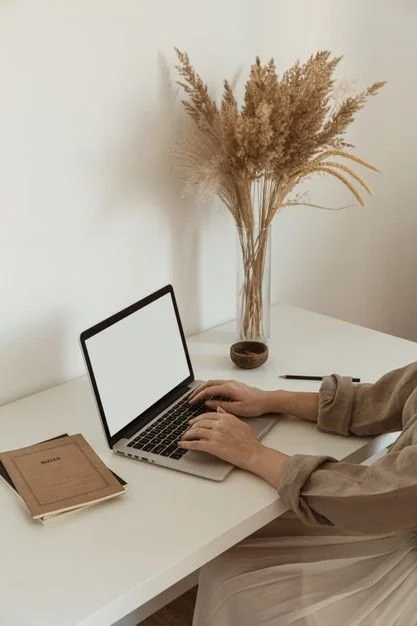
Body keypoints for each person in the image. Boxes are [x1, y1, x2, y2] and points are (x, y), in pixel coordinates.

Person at [178, 363, 417, 625]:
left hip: (393, 527)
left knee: (237, 581)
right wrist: (266, 399)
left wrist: (251, 452)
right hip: (393, 515)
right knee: (231, 556)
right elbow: (379, 400)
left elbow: (380, 497)